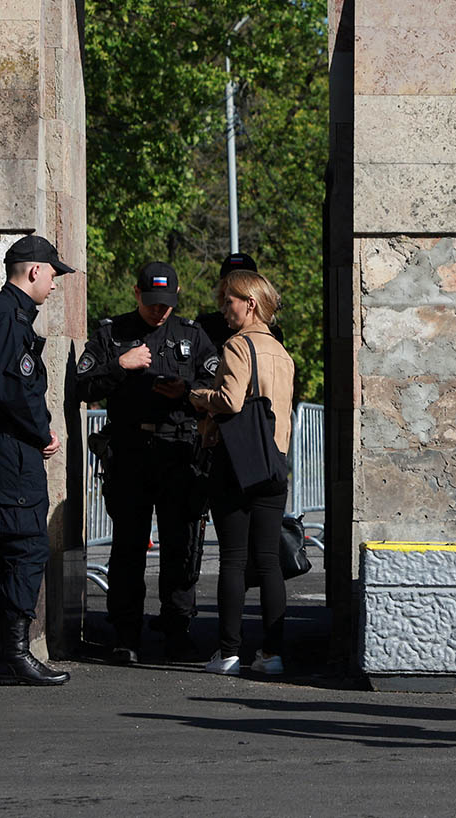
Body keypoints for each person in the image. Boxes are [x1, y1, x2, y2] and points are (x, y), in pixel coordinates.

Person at [75, 262, 218, 663]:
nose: (160, 311)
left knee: (180, 546)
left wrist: (186, 391)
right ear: (136, 294)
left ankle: (177, 628)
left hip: (178, 450)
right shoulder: (112, 334)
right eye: (153, 303)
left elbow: (217, 382)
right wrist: (120, 366)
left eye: (167, 304)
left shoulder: (191, 334)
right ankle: (125, 632)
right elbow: (82, 386)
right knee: (127, 547)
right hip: (131, 451)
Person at [0, 234, 72, 686]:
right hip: (9, 450)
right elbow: (14, 391)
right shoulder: (9, 319)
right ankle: (13, 653)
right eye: (51, 274)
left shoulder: (0, 315)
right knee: (25, 547)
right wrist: (40, 430)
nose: (54, 283)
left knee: (1, 550)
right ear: (33, 271)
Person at [189, 269, 295, 677]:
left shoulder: (237, 346)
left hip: (236, 463)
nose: (224, 308)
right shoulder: (282, 354)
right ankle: (272, 653)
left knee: (233, 559)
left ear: (249, 302)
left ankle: (229, 651)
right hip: (274, 462)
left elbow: (231, 402)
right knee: (268, 560)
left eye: (228, 300)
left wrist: (198, 396)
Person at [196, 251, 284, 350]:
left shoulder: (271, 332)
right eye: (229, 280)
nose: (233, 286)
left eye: (241, 282)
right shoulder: (206, 326)